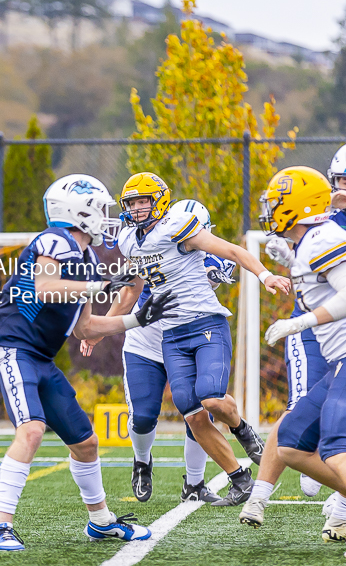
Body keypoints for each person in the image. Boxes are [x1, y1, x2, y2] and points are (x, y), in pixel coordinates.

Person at [0, 174, 177, 551]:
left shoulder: (87, 260)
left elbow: (85, 328)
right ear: (78, 211)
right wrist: (104, 287)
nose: (106, 217)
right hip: (10, 347)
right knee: (32, 430)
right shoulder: (53, 240)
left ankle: (100, 522)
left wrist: (139, 318)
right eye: (100, 209)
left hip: (39, 357)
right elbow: (44, 286)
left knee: (86, 442)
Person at [113, 172, 290, 507]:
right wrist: (101, 328)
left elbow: (231, 251)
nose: (136, 209)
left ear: (162, 203)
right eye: (132, 203)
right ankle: (238, 480)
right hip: (170, 334)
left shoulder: (178, 227)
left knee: (209, 399)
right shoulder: (129, 240)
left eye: (143, 202)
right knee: (192, 413)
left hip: (205, 325)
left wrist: (265, 275)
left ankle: (241, 430)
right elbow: (132, 286)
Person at [241, 140, 346, 540]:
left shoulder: (322, 233)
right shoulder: (320, 225)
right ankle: (341, 504)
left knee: (342, 443)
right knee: (298, 436)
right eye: (345, 181)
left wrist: (301, 321)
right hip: (339, 341)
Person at [81, 199, 235, 504]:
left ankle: (194, 484)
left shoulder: (207, 252)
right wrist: (101, 329)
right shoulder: (152, 246)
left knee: (197, 411)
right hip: (147, 342)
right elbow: (129, 294)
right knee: (143, 416)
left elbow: (220, 263)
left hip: (188, 341)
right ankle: (142, 462)